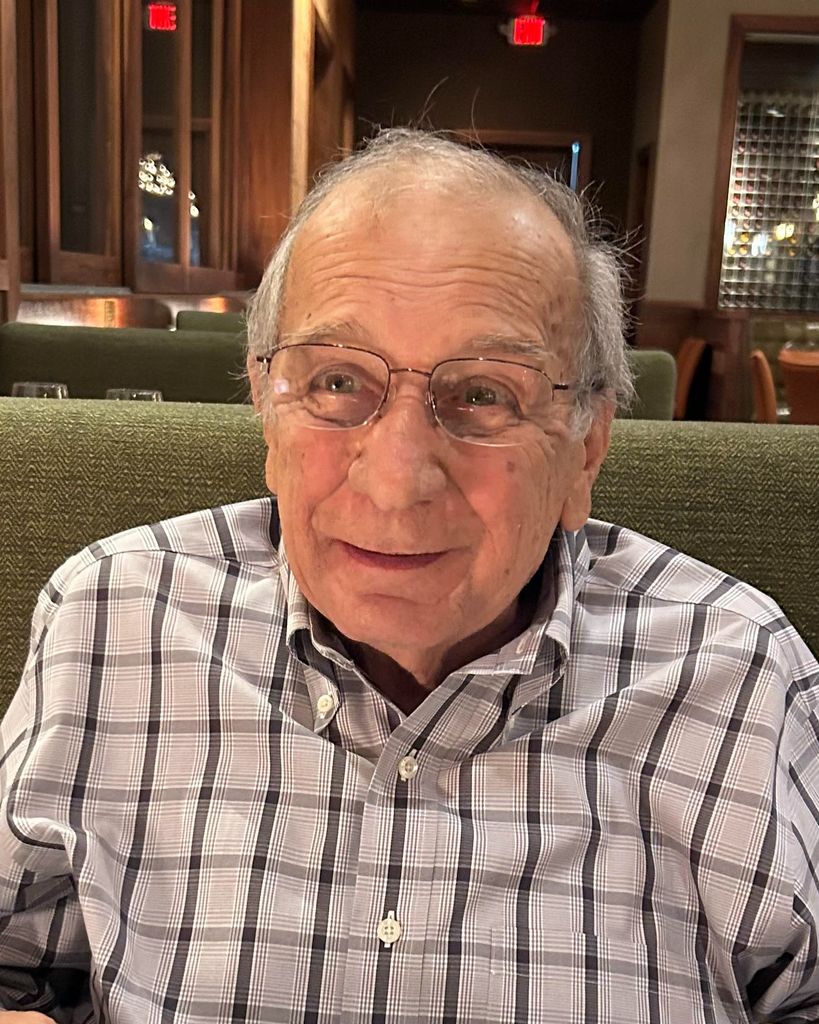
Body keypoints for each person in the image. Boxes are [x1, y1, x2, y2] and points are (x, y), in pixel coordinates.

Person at [1, 129, 818, 1024]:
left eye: (484, 394)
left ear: (585, 447)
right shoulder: (111, 619)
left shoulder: (736, 674)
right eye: (336, 382)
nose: (395, 483)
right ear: (267, 409)